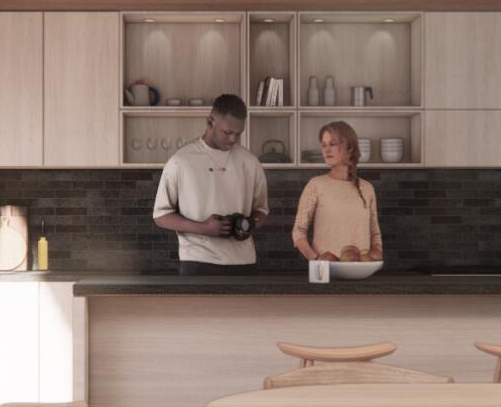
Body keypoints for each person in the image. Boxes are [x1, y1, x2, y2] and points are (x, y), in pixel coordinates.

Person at [151, 94, 269, 275]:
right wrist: (203, 228)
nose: (233, 139)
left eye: (238, 134)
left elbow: (261, 210)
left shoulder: (250, 162)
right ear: (210, 122)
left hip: (244, 262)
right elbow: (161, 216)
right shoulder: (180, 161)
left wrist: (251, 224)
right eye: (227, 132)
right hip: (198, 262)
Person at [292, 120, 383, 265]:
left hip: (361, 272)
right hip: (326, 272)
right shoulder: (316, 185)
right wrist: (316, 260)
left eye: (333, 144)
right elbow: (298, 232)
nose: (327, 150)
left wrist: (375, 257)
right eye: (324, 145)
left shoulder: (367, 188)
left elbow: (375, 234)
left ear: (349, 147)